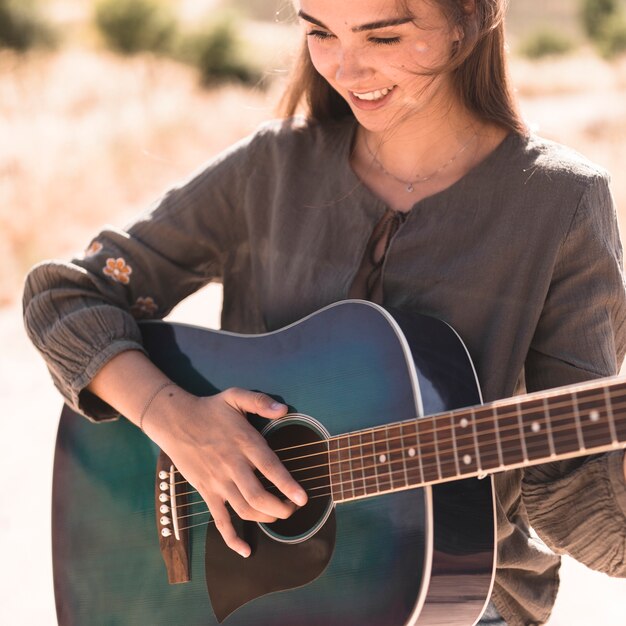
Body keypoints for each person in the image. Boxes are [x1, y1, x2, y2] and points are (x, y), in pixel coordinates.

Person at [23, 1, 626, 624]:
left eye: (383, 35)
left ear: (468, 17)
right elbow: (65, 297)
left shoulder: (563, 202)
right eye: (320, 32)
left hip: (457, 603)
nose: (347, 66)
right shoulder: (272, 169)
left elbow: (575, 491)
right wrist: (176, 422)